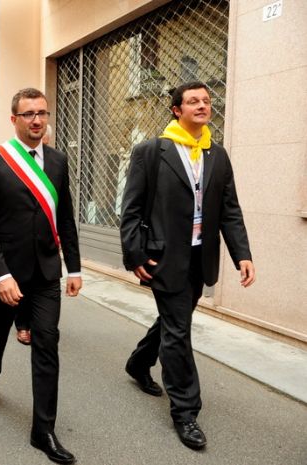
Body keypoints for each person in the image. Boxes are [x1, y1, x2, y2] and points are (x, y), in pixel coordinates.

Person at [120, 81, 255, 450]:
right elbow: (131, 208)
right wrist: (134, 254)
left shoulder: (217, 155)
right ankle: (185, 411)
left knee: (173, 321)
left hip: (200, 257)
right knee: (179, 332)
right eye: (193, 101)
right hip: (164, 256)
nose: (202, 105)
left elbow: (229, 209)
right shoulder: (152, 152)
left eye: (206, 100)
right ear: (176, 110)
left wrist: (242, 254)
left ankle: (138, 363)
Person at [0, 88, 82, 465]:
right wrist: (1, 274)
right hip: (7, 274)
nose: (37, 120)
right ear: (14, 119)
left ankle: (43, 430)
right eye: (29, 114)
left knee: (47, 342)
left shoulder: (58, 160)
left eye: (42, 113)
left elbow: (65, 217)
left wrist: (74, 267)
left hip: (46, 272)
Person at [12, 123, 53, 345]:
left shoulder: (54, 162)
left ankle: (38, 325)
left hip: (45, 245)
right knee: (23, 289)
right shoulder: (9, 160)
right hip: (18, 245)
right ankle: (23, 325)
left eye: (45, 141)